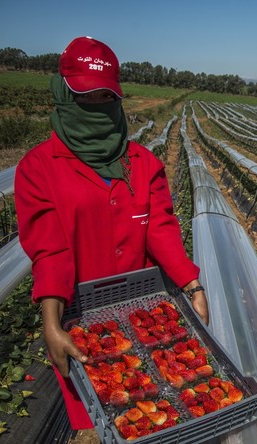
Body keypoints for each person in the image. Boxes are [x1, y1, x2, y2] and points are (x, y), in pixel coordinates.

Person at [14, 36, 209, 432]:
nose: (99, 107)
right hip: (84, 319)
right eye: (87, 97)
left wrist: (192, 285)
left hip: (143, 315)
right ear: (64, 94)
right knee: (107, 415)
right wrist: (51, 323)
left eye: (107, 97)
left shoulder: (143, 164)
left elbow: (161, 230)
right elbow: (49, 250)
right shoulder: (39, 169)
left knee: (154, 410)